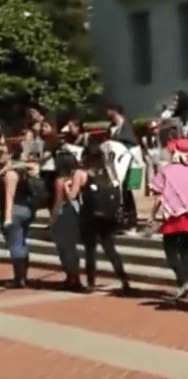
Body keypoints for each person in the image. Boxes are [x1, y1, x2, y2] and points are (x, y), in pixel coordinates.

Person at [66, 144, 132, 294]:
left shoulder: (80, 173)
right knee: (110, 249)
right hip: (107, 217)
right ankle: (124, 280)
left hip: (89, 216)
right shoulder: (107, 172)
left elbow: (72, 196)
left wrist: (65, 186)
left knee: (90, 251)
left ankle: (90, 283)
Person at [148, 138, 188, 300]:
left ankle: (183, 281)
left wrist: (153, 215)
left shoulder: (166, 169)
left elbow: (156, 192)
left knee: (171, 252)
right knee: (187, 252)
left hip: (174, 216)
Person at [1, 147, 38, 288]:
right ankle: (22, 276)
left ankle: (19, 278)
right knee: (21, 243)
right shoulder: (20, 170)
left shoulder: (10, 175)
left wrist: (7, 218)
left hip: (13, 211)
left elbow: (9, 197)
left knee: (16, 245)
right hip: (26, 209)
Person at [50, 148, 84, 291]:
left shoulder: (60, 180)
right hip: (76, 215)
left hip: (64, 215)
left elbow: (58, 202)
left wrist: (53, 218)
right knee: (71, 249)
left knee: (64, 249)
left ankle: (72, 278)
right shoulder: (79, 175)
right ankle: (73, 278)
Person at [104, 103, 140, 233]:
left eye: (108, 110)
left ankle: (132, 223)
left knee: (130, 192)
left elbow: (132, 143)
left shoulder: (127, 127)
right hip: (116, 166)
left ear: (115, 111)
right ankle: (121, 222)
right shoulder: (111, 128)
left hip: (132, 163)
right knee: (118, 193)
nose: (106, 113)